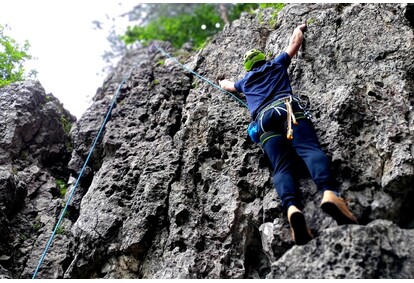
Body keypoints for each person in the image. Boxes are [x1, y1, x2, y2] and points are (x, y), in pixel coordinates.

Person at [219, 23, 358, 245]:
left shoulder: (244, 82)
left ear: (248, 67)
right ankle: (329, 193)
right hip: (286, 109)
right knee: (309, 149)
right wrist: (298, 27)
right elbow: (295, 42)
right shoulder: (275, 64)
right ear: (263, 59)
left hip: (263, 122)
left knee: (281, 167)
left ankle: (292, 208)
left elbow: (227, 86)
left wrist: (220, 81)